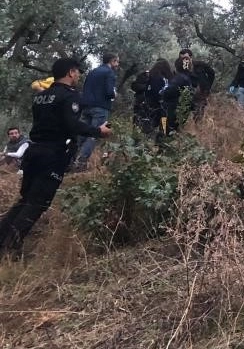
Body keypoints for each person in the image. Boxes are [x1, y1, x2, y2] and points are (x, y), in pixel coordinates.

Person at [0, 58, 112, 258]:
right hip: (52, 155)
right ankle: (11, 250)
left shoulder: (41, 96)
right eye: (77, 72)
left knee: (26, 200)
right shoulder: (69, 96)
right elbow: (72, 125)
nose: (78, 75)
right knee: (37, 203)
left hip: (33, 153)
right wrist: (98, 131)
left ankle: (2, 240)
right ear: (70, 72)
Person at [74, 52, 119, 171]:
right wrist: (114, 93)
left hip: (86, 106)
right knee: (95, 134)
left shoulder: (93, 72)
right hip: (101, 107)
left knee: (82, 133)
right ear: (112, 61)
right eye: (117, 61)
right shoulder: (110, 73)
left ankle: (70, 158)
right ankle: (81, 162)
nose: (117, 64)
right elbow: (109, 92)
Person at [132, 59, 172, 135]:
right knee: (163, 127)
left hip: (148, 108)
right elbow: (158, 93)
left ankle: (141, 141)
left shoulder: (150, 77)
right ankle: (163, 140)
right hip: (160, 109)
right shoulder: (161, 78)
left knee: (145, 128)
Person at [162, 55, 196, 135]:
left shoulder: (179, 78)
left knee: (165, 134)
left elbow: (168, 92)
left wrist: (163, 92)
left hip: (171, 111)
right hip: (182, 112)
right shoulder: (188, 78)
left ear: (177, 66)